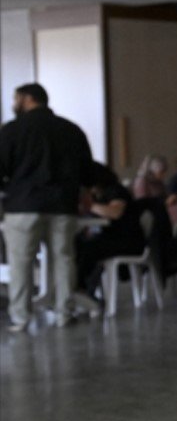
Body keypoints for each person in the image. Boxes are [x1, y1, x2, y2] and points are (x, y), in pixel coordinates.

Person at [0, 83, 97, 327]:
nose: (14, 104)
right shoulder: (71, 130)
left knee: (21, 263)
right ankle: (64, 312)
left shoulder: (12, 130)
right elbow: (88, 170)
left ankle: (21, 317)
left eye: (16, 98)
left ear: (28, 98)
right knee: (63, 260)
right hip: (63, 205)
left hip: (23, 205)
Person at [76, 163, 148, 298]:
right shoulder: (99, 195)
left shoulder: (116, 191)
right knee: (78, 243)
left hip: (127, 241)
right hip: (112, 238)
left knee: (89, 248)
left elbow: (115, 212)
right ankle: (80, 288)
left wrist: (89, 206)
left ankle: (81, 289)